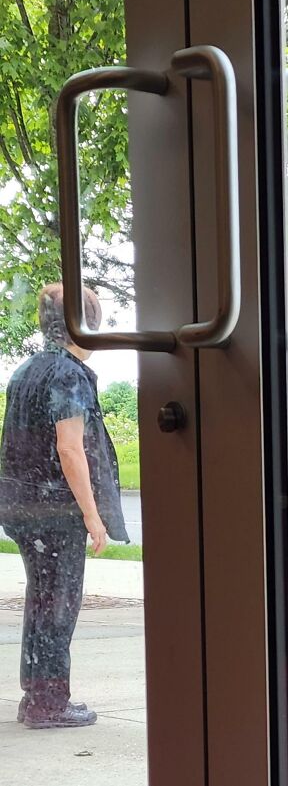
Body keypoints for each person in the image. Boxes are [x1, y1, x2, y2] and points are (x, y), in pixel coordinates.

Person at [0, 283, 129, 729]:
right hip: (54, 511)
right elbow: (70, 450)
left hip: (23, 505)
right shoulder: (68, 374)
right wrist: (93, 517)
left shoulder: (28, 369)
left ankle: (36, 697)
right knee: (57, 606)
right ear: (83, 324)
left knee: (42, 601)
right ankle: (49, 704)